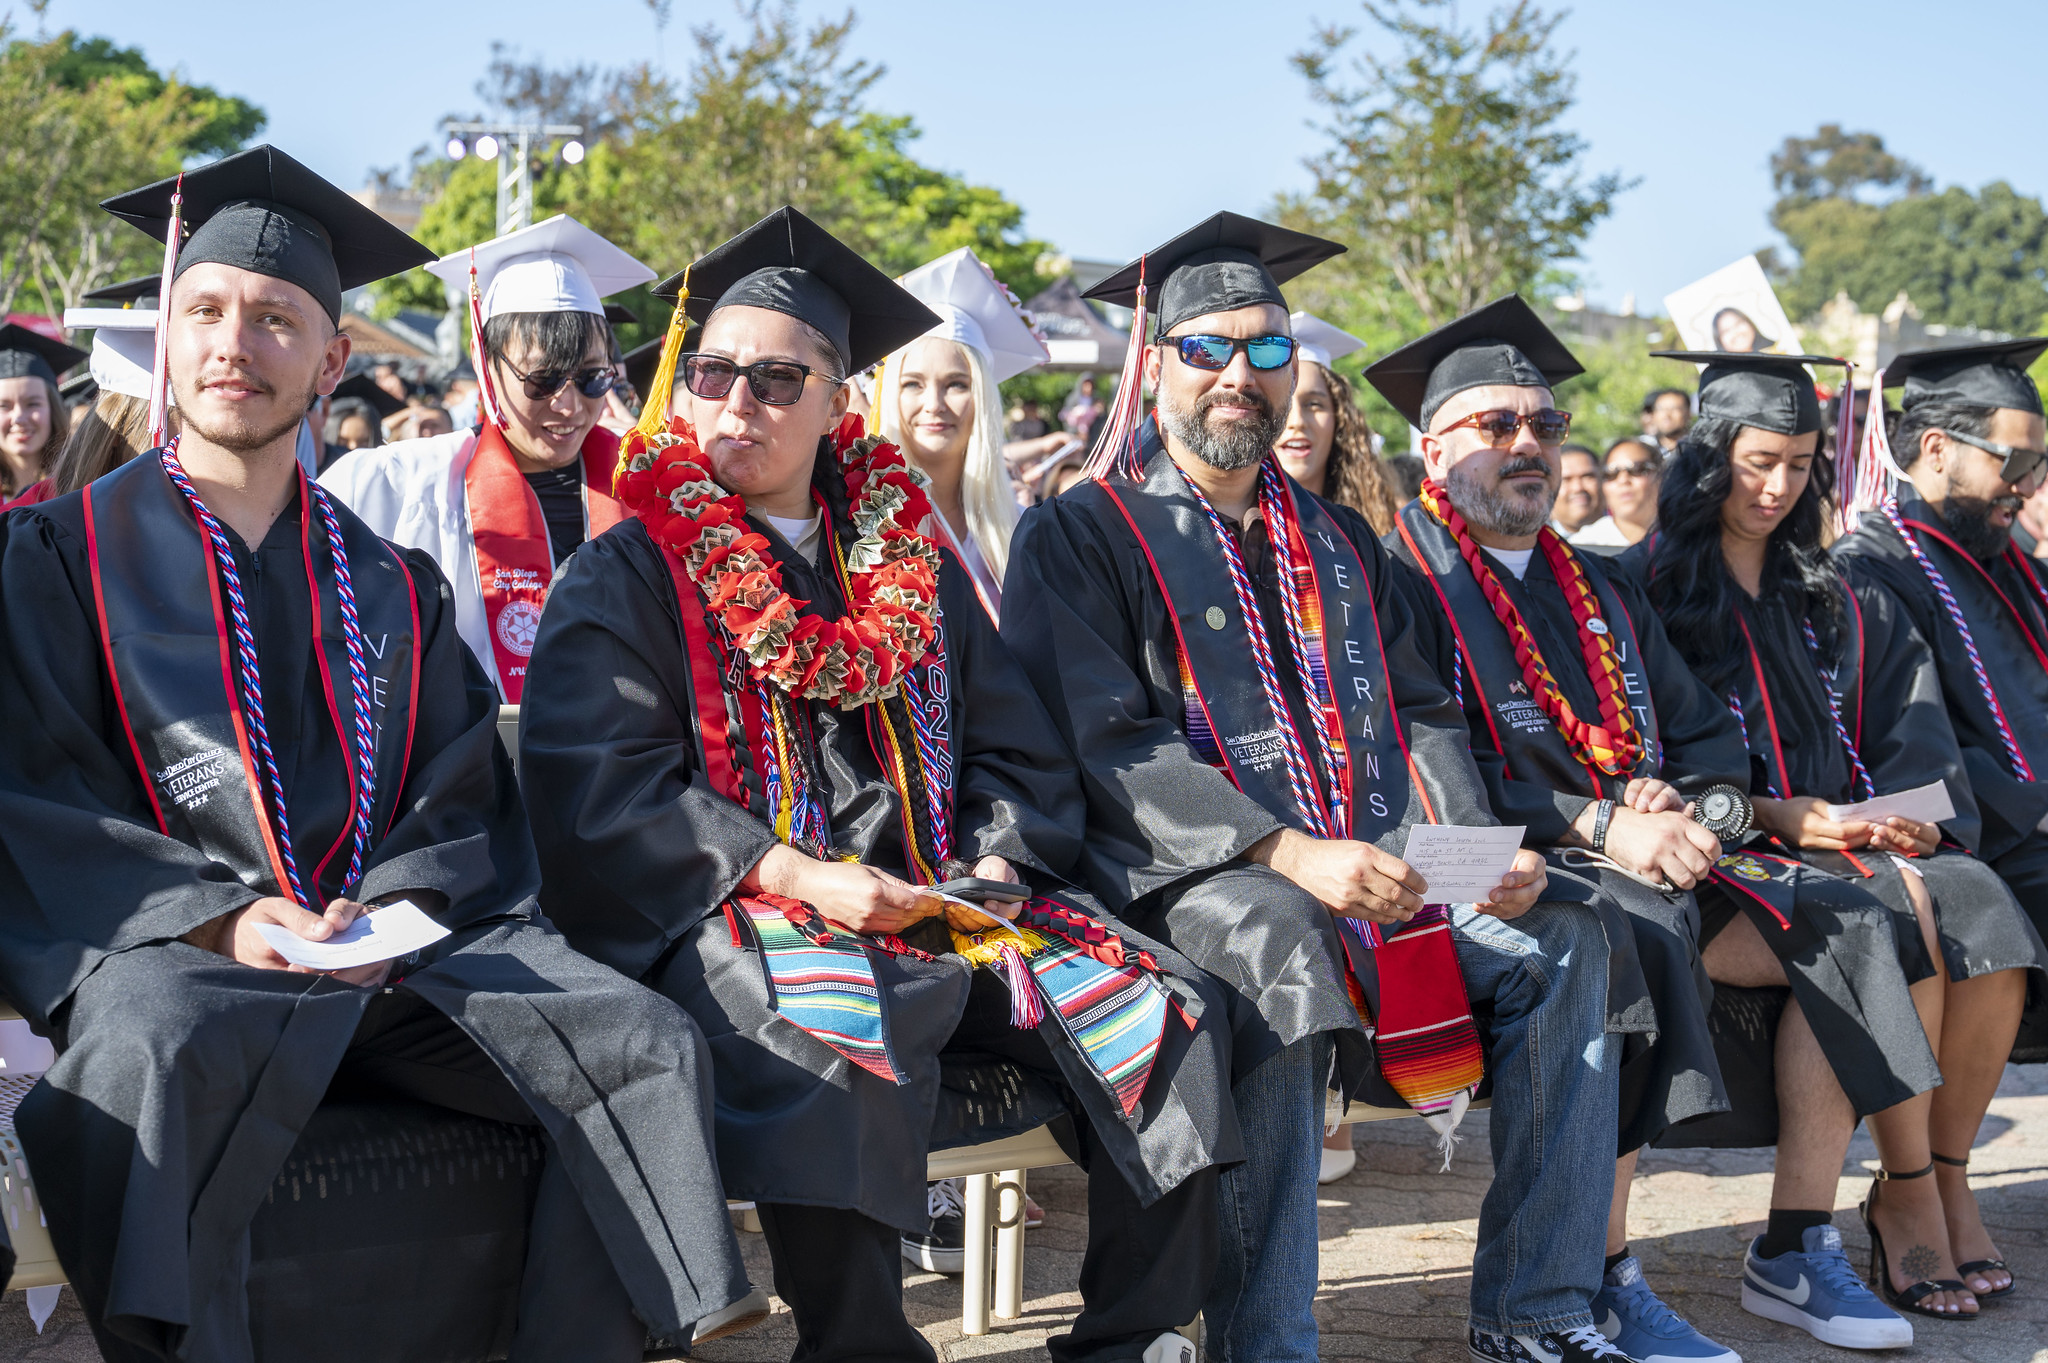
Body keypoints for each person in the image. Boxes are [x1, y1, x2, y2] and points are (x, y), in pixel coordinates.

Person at [0, 143, 756, 1363]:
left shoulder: (391, 583)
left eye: (275, 319)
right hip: (192, 965)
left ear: (333, 358)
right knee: (148, 1039)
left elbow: (462, 790)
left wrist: (392, 907)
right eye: (204, 312)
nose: (232, 345)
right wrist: (219, 921)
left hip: (387, 957)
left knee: (641, 1037)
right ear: (165, 336)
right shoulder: (57, 557)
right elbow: (33, 797)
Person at [519, 205, 1236, 1363]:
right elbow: (603, 787)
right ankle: (859, 1347)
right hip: (743, 909)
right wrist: (799, 872)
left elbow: (1013, 748)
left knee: (1167, 1007)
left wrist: (996, 858)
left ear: (837, 407)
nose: (735, 402)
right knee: (833, 1021)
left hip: (940, 907)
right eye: (709, 374)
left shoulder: (911, 568)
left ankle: (1131, 1338)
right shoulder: (624, 573)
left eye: (773, 379)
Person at [1006, 213, 1618, 1363]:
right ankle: (1268, 1340)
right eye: (1208, 349)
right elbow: (1106, 745)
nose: (1241, 375)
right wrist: (1284, 852)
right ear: (1156, 363)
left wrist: (1475, 852)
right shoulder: (1081, 532)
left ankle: (1534, 1310)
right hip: (1186, 877)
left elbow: (1424, 713)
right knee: (1280, 938)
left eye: (1269, 351)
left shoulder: (1339, 540)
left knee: (1569, 937)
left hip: (1374, 855)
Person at [1376, 302, 1937, 1356]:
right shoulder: (1395, 577)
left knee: (1850, 916)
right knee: (1628, 932)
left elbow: (1708, 747)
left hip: (1646, 853)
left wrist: (1685, 807)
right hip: (1490, 872)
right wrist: (1597, 819)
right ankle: (1601, 1269)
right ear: (1432, 445)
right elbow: (1432, 778)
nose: (1527, 446)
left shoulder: (1596, 581)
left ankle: (1793, 1241)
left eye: (1543, 425)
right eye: (1495, 425)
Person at [1644, 349, 2044, 1322]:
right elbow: (1645, 760)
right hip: (1708, 864)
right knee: (1888, 905)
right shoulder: (1633, 589)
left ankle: (1938, 1176)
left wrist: (1884, 815)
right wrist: (1779, 820)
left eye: (1795, 463)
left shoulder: (1820, 595)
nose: (1775, 486)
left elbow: (1909, 746)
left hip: (1825, 847)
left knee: (1973, 900)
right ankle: (1892, 1192)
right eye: (1754, 461)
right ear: (1705, 459)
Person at [1835, 337, 2048, 1286]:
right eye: (2017, 460)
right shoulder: (1873, 566)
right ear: (1933, 450)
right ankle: (1933, 1180)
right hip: (1952, 828)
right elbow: (1906, 749)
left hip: (2026, 824)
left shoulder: (2008, 564)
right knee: (1989, 906)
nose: (2029, 483)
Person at [321, 215, 652, 702]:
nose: (569, 406)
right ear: (486, 363)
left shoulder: (649, 487)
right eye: (542, 380)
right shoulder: (396, 488)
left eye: (591, 379)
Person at [874, 245, 1049, 620]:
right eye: (913, 384)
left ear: (982, 396)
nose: (934, 404)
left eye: (956, 384)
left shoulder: (1018, 526)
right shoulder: (866, 525)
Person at [1275, 311, 1400, 535]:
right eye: (1283, 402)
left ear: (1339, 419)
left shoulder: (1376, 536)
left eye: (1314, 404)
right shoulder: (1238, 536)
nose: (1298, 422)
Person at [0, 324, 85, 507]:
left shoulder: (76, 489)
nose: (19, 418)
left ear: (53, 409)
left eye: (33, 404)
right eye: (3, 406)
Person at [1570, 438, 1660, 551]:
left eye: (1637, 469)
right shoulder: (1582, 547)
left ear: (1661, 477)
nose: (1623, 480)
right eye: (1611, 474)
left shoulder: (1684, 539)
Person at [1550, 442, 1602, 534]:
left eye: (1588, 477)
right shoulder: (1533, 542)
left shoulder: (1629, 538)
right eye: (1566, 479)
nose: (1578, 488)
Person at [1642, 387, 1692, 455]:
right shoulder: (1643, 448)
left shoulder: (1700, 448)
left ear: (1689, 414)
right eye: (1661, 409)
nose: (1667, 415)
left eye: (1674, 408)